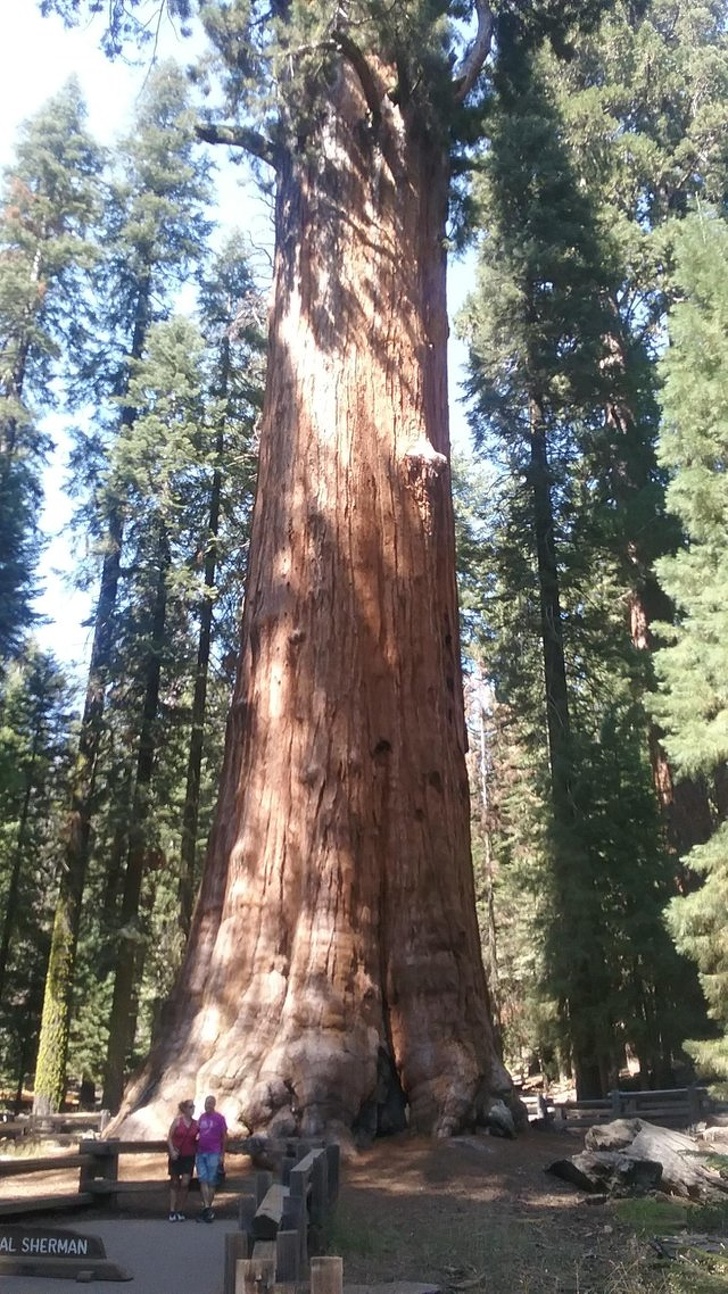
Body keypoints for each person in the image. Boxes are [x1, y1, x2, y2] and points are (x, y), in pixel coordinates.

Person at [195, 1094, 227, 1222]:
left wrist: (222, 1154)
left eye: (209, 1103)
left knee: (212, 1181)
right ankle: (207, 1209)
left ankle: (207, 1209)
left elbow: (224, 1137)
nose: (207, 1105)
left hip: (214, 1152)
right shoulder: (201, 1118)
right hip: (201, 1152)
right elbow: (196, 1132)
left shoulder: (219, 1118)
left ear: (214, 1104)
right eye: (206, 1103)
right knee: (203, 1179)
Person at [167, 1099, 198, 1221]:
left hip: (189, 1156)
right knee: (174, 1182)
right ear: (184, 1109)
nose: (192, 1109)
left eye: (193, 1107)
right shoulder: (177, 1122)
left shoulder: (196, 1124)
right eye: (190, 1107)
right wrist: (172, 1151)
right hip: (176, 1155)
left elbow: (201, 1137)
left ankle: (180, 1210)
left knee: (185, 1183)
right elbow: (169, 1137)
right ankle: (172, 1210)